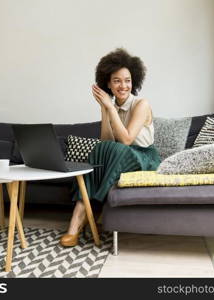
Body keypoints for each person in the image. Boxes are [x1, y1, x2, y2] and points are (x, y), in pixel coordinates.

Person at [60, 48, 161, 247]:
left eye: (127, 80)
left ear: (134, 81)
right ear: (108, 83)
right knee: (100, 149)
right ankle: (76, 224)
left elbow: (126, 140)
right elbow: (106, 140)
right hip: (120, 156)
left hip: (144, 157)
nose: (123, 85)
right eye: (117, 80)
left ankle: (88, 215)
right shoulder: (111, 106)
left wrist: (110, 109)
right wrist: (105, 109)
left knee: (117, 150)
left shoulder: (141, 104)